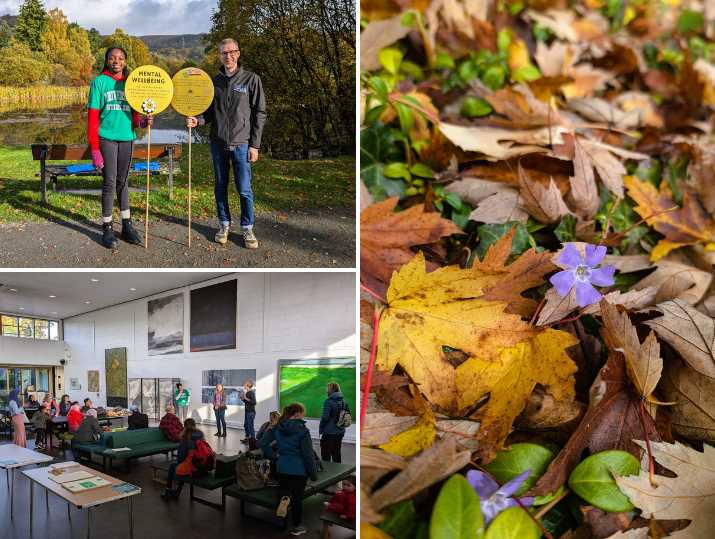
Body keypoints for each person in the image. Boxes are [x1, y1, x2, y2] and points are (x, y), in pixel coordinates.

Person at [186, 38, 266, 249]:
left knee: (244, 189)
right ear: (219, 56)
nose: (228, 56)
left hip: (242, 144)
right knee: (220, 186)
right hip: (218, 143)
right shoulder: (214, 82)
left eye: (232, 52)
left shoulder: (251, 79)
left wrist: (255, 145)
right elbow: (210, 113)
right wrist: (198, 120)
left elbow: (259, 113)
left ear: (238, 53)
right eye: (224, 53)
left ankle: (247, 228)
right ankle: (224, 225)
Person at [87, 46, 153, 249]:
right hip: (106, 138)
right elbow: (92, 119)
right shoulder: (99, 82)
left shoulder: (131, 83)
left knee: (123, 182)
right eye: (112, 58)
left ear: (125, 61)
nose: (116, 61)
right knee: (109, 182)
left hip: (127, 139)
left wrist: (144, 122)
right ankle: (107, 227)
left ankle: (127, 225)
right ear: (107, 60)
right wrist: (95, 149)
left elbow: (135, 118)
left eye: (121, 58)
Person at [260, 403, 317, 537]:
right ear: (297, 414)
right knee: (297, 500)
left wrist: (274, 456)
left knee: (283, 497)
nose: (303, 416)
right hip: (299, 471)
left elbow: (262, 443)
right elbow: (308, 455)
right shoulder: (303, 430)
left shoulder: (277, 428)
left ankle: (282, 523)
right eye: (303, 413)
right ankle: (296, 526)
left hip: (282, 467)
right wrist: (313, 474)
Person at [161, 418, 206, 499]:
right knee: (185, 464)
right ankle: (177, 492)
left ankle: (168, 491)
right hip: (202, 466)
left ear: (184, 426)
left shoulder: (185, 438)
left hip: (193, 469)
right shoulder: (201, 435)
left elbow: (181, 458)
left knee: (173, 466)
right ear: (194, 425)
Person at [319, 382, 347, 463]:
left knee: (325, 455)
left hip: (329, 432)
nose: (326, 391)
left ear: (331, 390)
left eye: (327, 389)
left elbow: (325, 417)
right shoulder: (343, 401)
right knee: (336, 453)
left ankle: (327, 474)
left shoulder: (328, 402)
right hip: (340, 432)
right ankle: (339, 474)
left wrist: (321, 429)